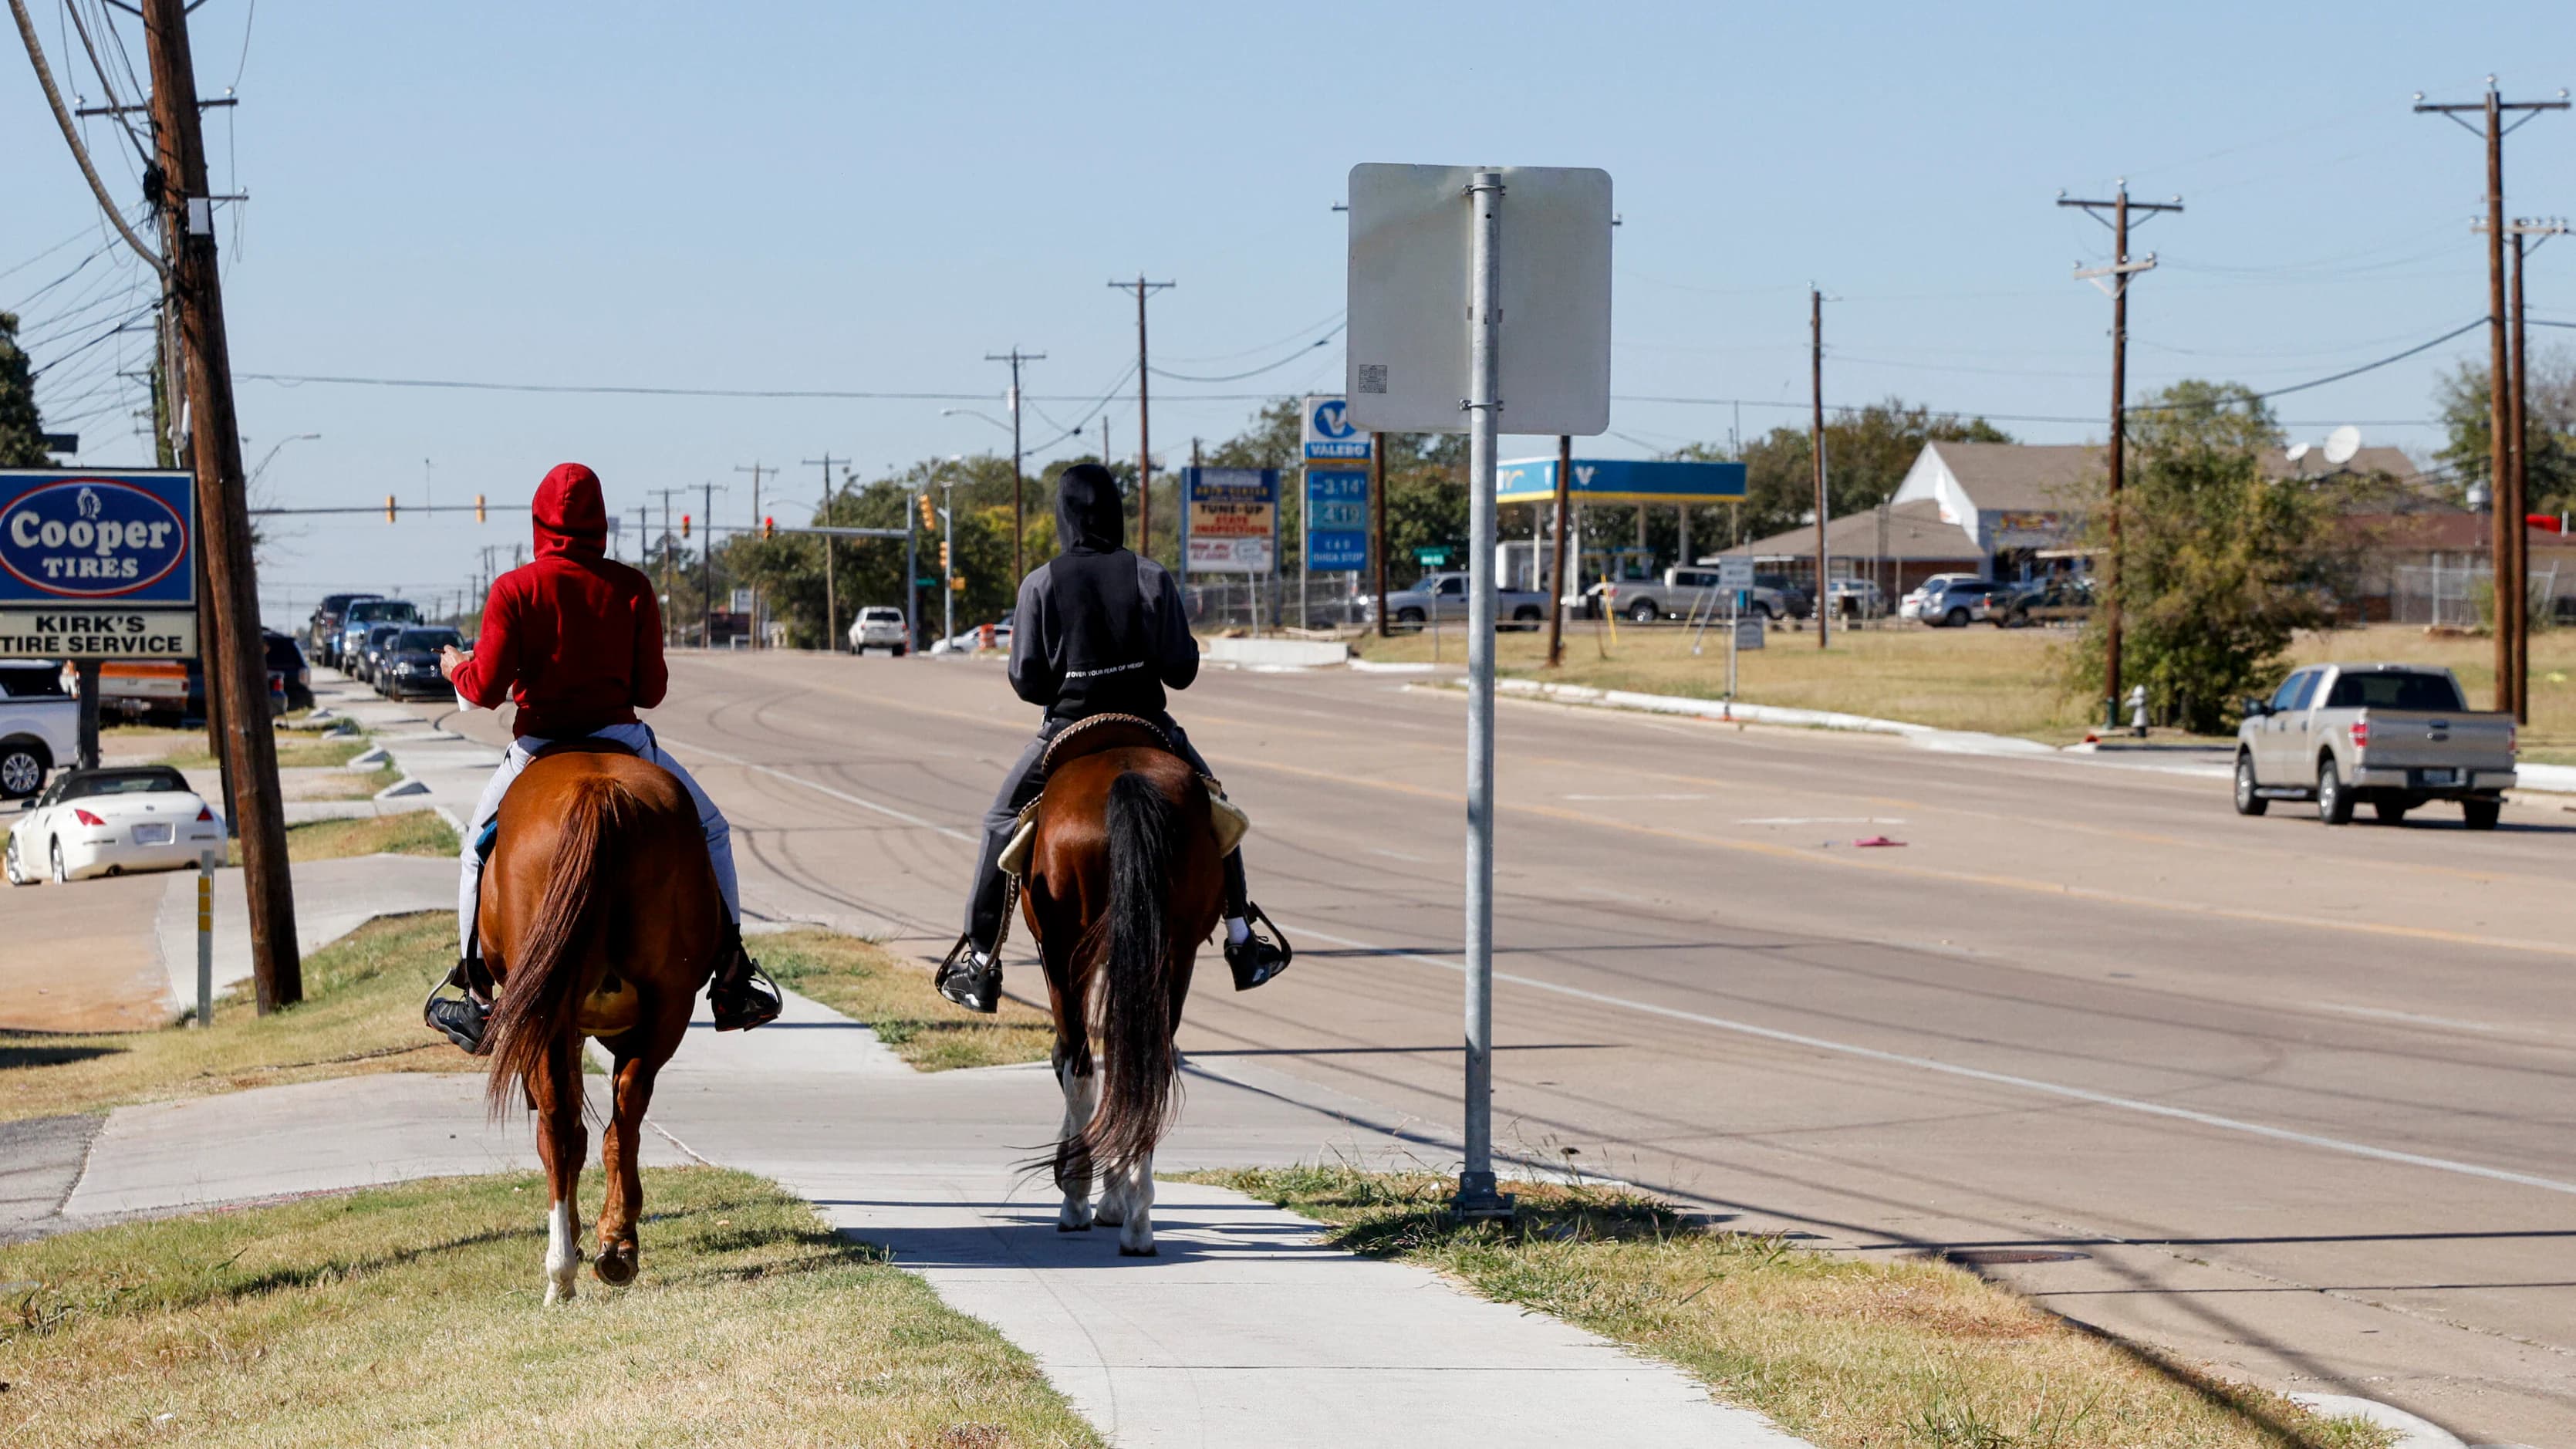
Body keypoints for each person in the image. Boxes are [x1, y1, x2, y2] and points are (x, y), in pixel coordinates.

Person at [424, 462, 780, 1050]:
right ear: (601, 522)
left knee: (473, 851)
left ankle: (475, 993)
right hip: (623, 741)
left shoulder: (515, 588)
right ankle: (732, 975)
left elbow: (482, 689)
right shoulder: (632, 587)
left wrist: (453, 668)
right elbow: (651, 693)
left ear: (539, 521)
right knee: (712, 830)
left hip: (539, 746)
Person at [936, 462, 1288, 1013]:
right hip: (1147, 725)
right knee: (1213, 804)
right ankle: (1243, 937)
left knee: (1000, 822)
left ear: (1063, 518)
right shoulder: (1150, 576)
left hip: (1067, 728)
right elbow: (1181, 671)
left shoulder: (1040, 582)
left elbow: (1028, 683)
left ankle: (981, 958)